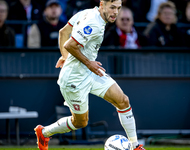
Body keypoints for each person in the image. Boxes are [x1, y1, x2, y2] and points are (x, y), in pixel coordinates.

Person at [34, 0, 146, 150]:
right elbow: (69, 44)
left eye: (118, 8)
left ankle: (135, 146)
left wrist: (66, 57)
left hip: (89, 72)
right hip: (74, 79)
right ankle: (44, 132)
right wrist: (87, 62)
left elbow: (63, 32)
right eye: (112, 7)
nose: (115, 12)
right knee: (80, 122)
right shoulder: (93, 22)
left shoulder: (88, 12)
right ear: (102, 5)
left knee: (123, 101)